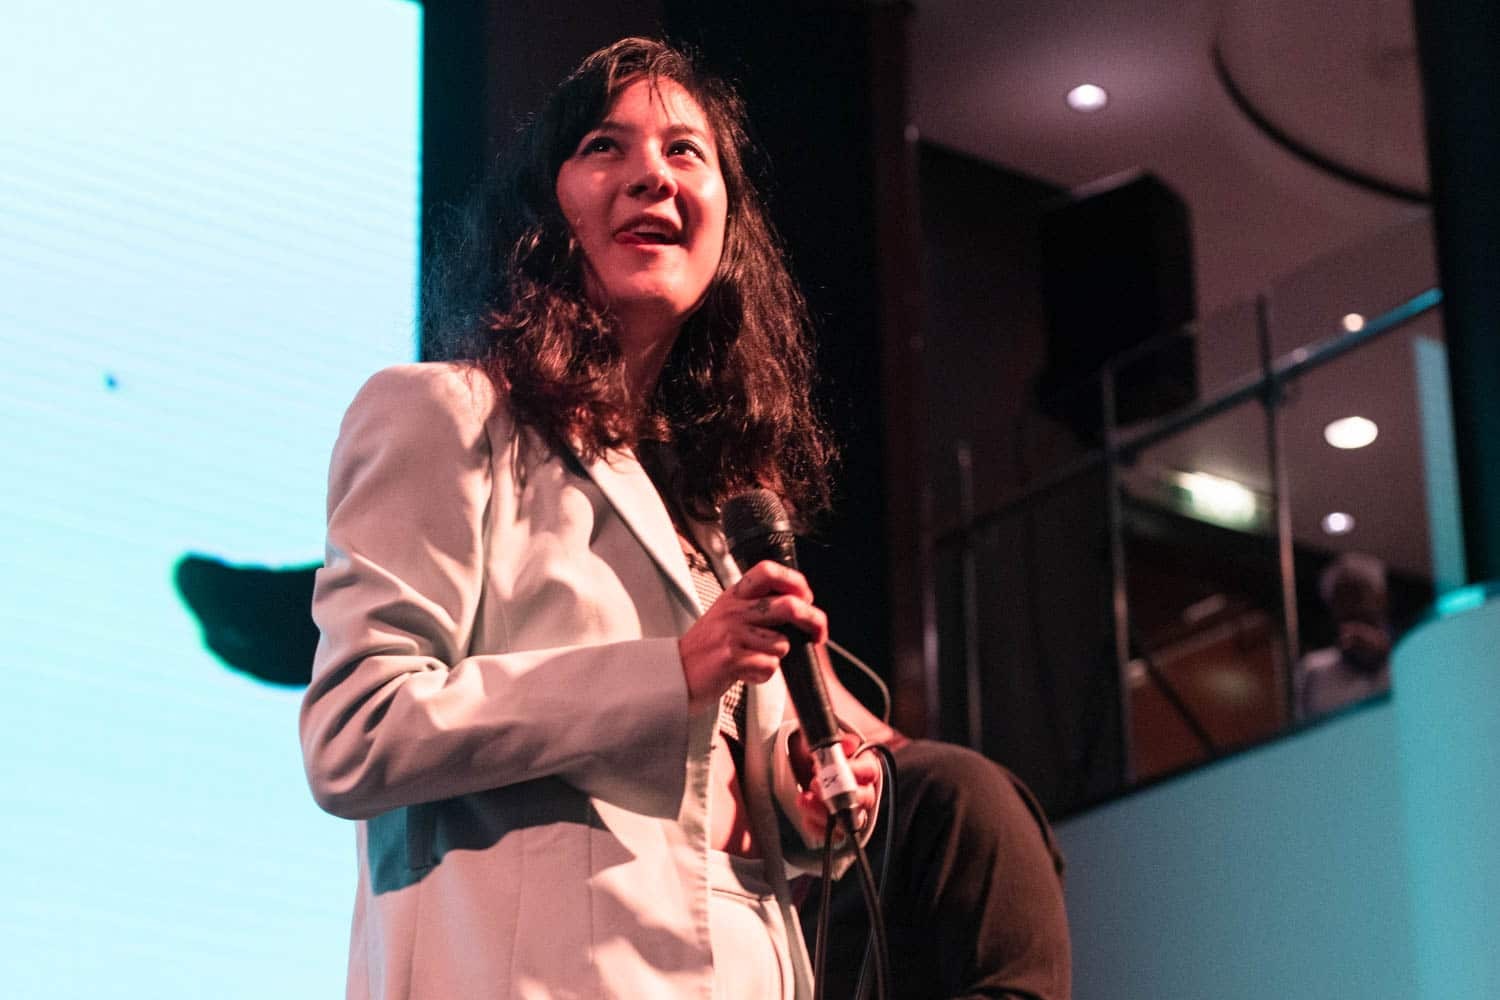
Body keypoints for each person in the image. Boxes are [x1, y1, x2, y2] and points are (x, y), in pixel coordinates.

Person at [299, 38, 882, 1000]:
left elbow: (707, 795)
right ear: (544, 210)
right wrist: (671, 673)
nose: (652, 173)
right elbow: (358, 731)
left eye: (687, 152)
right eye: (606, 146)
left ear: (727, 225)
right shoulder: (445, 414)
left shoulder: (718, 499)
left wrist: (803, 801)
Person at [1296, 553, 1393, 720]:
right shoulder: (1313, 672)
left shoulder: (1408, 659)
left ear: (1381, 598)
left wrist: (1385, 655)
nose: (1350, 606)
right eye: (1340, 598)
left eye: (1357, 593)